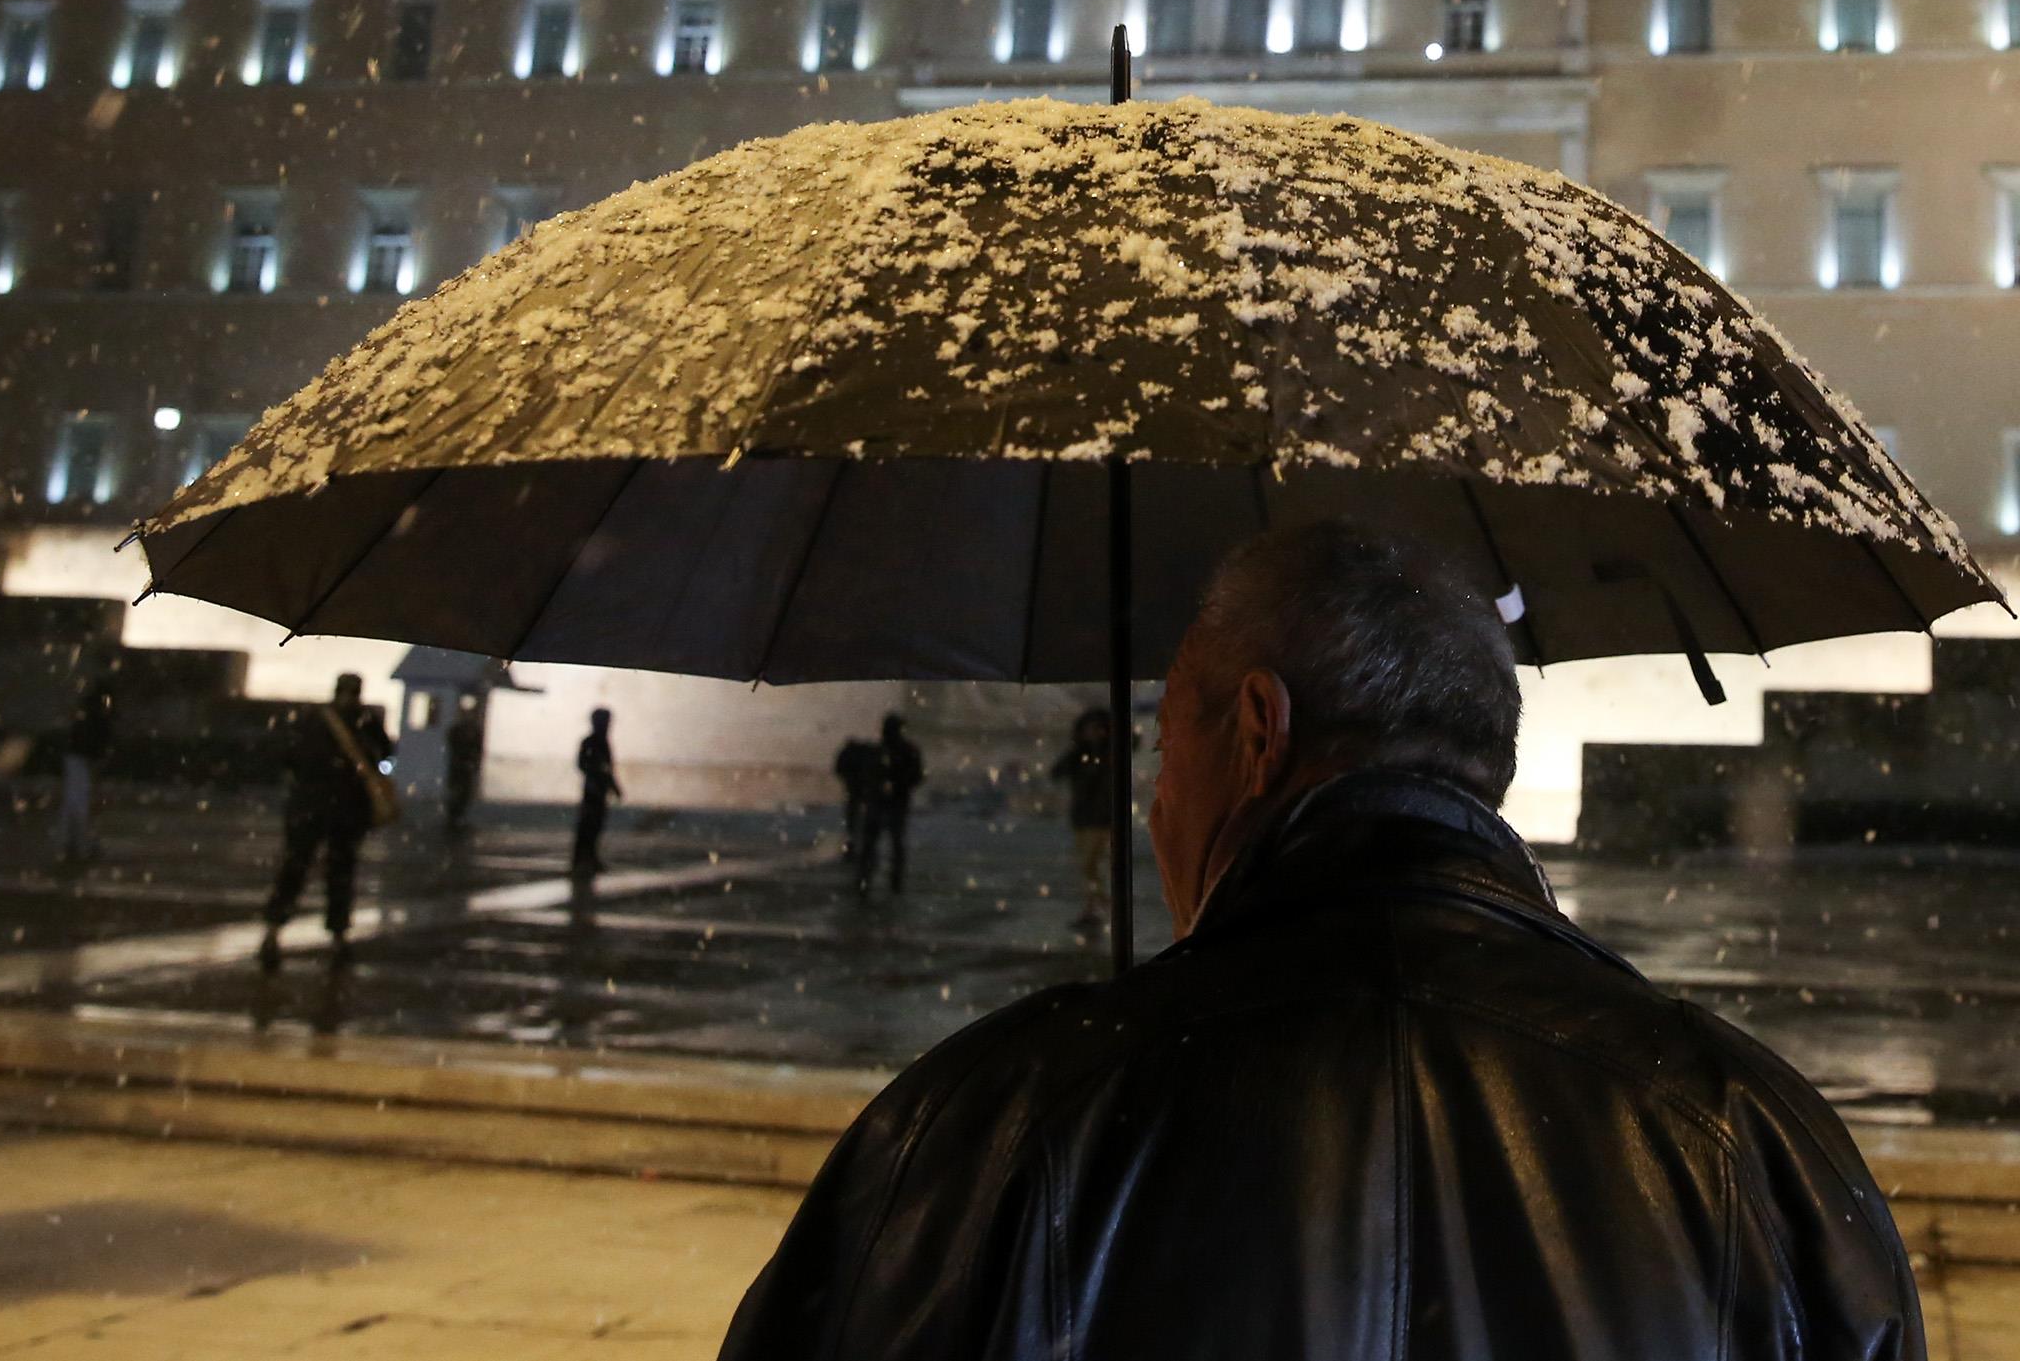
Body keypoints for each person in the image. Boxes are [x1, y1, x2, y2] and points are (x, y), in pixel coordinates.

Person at [719, 520, 1922, 1359]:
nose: (1151, 798)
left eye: (1162, 738)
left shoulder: (993, 1125)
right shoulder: (1748, 1140)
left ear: (1256, 727)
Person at [258, 673, 394, 971]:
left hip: (308, 809)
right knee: (340, 873)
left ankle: (273, 932)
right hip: (345, 811)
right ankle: (337, 938)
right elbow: (386, 753)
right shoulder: (364, 721)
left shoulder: (312, 720)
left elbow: (287, 756)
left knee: (295, 869)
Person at [835, 713, 923, 898]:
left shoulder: (881, 751)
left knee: (877, 845)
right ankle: (883, 882)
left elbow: (861, 775)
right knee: (887, 845)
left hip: (883, 803)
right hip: (889, 804)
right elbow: (915, 777)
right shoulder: (898, 751)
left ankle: (869, 881)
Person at [1047, 705, 1115, 934]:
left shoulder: (1110, 753)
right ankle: (1095, 906)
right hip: (1084, 818)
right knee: (1089, 868)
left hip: (1103, 819)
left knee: (1091, 866)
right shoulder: (1078, 754)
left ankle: (1098, 906)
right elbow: (1056, 772)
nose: (1093, 733)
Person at [53, 677, 114, 867]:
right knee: (80, 804)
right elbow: (95, 744)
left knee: (76, 803)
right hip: (81, 758)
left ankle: (74, 843)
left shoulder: (91, 713)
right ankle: (80, 844)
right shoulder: (99, 716)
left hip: (77, 757)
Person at [572, 707, 623, 874]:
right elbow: (582, 764)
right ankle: (582, 860)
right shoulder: (591, 742)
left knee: (595, 826)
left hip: (598, 791)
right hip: (592, 791)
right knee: (588, 826)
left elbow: (607, 769)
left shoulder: (601, 742)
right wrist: (598, 777)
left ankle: (589, 858)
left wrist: (614, 787)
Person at [443, 690, 487, 836]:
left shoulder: (468, 730)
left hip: (463, 767)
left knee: (462, 793)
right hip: (461, 766)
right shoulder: (462, 730)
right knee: (459, 792)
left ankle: (456, 817)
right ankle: (454, 817)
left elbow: (476, 748)